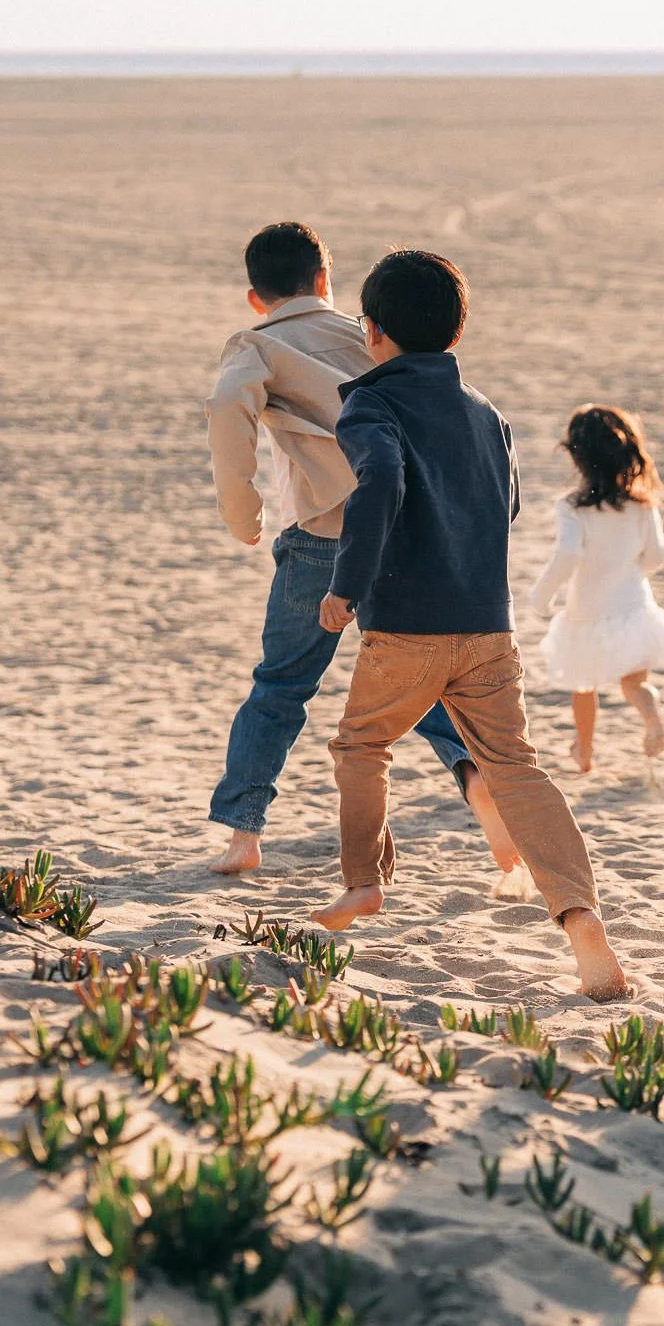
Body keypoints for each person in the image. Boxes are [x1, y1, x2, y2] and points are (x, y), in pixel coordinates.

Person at [314, 249, 630, 999]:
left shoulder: (370, 403)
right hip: (489, 626)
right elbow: (508, 503)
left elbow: (381, 481)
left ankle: (362, 883)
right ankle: (582, 920)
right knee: (515, 768)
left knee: (361, 744)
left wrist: (347, 585)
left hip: (408, 629)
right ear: (456, 335)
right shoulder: (489, 413)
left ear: (373, 333)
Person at [202, 222, 531, 897]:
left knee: (282, 684)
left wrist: (244, 516)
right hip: (404, 532)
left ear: (253, 296)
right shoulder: (370, 332)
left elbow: (224, 406)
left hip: (320, 535)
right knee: (422, 674)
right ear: (325, 280)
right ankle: (475, 779)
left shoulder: (256, 343)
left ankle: (243, 830)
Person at [528, 405, 664, 777]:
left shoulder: (572, 506)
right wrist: (632, 572)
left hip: (587, 610)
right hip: (634, 606)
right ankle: (650, 716)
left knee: (583, 683)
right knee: (635, 683)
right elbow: (658, 556)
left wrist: (543, 596)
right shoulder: (642, 504)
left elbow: (568, 553)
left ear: (576, 455)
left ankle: (584, 752)